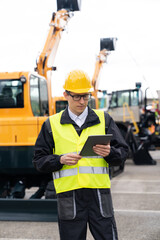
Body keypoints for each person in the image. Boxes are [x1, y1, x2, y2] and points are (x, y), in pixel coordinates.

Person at [33, 69, 129, 240]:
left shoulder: (104, 119)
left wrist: (110, 153)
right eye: (76, 96)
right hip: (69, 196)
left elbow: (123, 153)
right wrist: (60, 160)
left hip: (99, 194)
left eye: (85, 96)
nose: (82, 101)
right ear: (65, 94)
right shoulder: (51, 125)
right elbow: (39, 161)